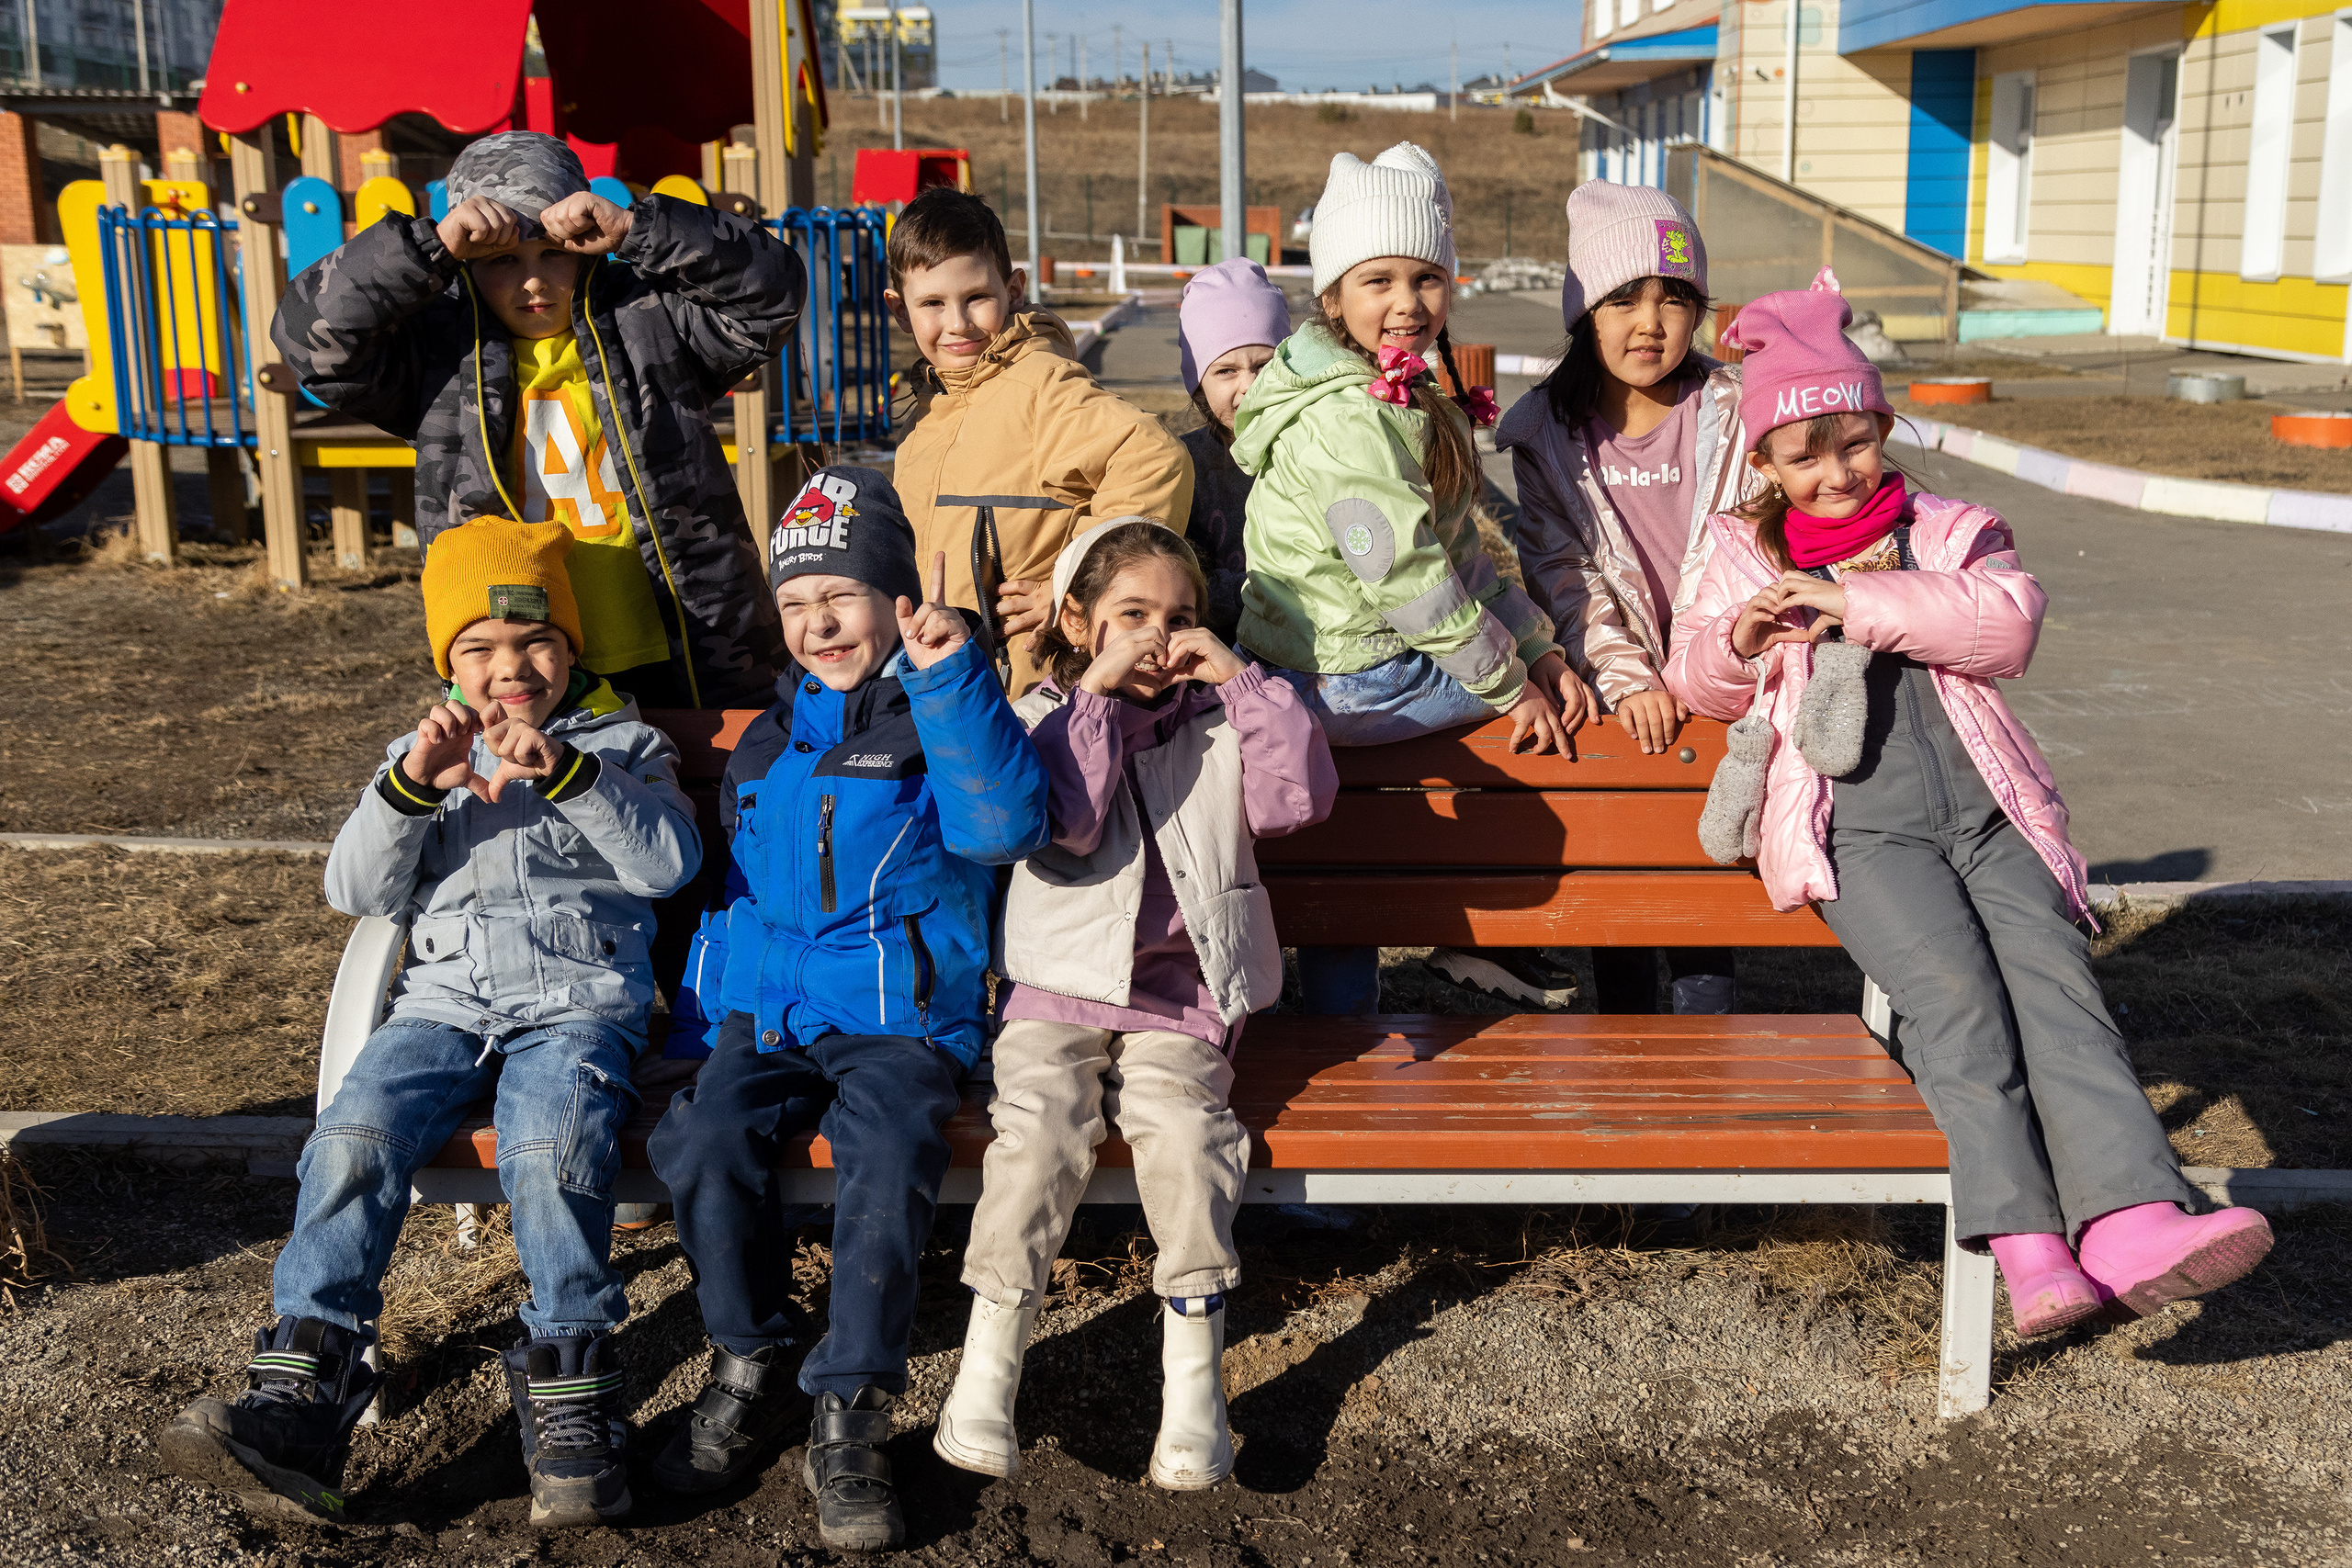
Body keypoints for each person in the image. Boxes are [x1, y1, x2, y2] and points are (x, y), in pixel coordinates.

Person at [1663, 277, 2274, 1337]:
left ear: (1883, 429)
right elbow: (1696, 681)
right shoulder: (1736, 549)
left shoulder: (1949, 528)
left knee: (2056, 991)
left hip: (1991, 815)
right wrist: (1740, 641)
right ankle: (2029, 1243)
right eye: (1802, 455)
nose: (1835, 472)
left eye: (1854, 442)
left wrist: (1851, 600)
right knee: (1955, 1004)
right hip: (1858, 829)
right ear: (1761, 461)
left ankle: (2130, 1219)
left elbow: (2005, 629)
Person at [158, 520, 700, 1528]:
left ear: (573, 649)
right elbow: (353, 888)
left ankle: (572, 1401)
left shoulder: (623, 746)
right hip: (444, 1005)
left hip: (577, 1008)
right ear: (447, 662)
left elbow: (668, 865)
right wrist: (411, 784)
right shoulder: (421, 754)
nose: (511, 670)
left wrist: (573, 777)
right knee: (356, 1134)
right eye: (478, 649)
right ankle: (301, 1401)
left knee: (546, 1148)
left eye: (536, 643)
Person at [643, 468, 1050, 1552]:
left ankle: (853, 1407)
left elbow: (1001, 827)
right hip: (771, 1013)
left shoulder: (942, 711)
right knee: (704, 1138)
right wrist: (707, 1026)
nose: (820, 622)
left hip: (902, 1017)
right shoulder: (769, 739)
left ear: (894, 596)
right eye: (796, 604)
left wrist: (949, 681)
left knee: (886, 1155)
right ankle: (751, 1359)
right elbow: (737, 899)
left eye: (844, 595)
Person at [933, 520, 1335, 1491]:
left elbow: (1298, 801)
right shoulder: (1040, 713)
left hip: (1183, 995)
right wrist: (1096, 697)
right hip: (1056, 987)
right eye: (1131, 617)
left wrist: (1238, 678)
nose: (1158, 640)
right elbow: (1065, 827)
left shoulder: (1223, 720)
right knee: (1037, 1132)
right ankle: (988, 1367)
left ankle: (1193, 1383)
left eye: (1180, 618)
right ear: (1076, 621)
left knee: (1185, 1132)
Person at [275, 130, 803, 708]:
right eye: (501, 261)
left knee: (707, 788)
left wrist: (638, 231)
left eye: (554, 253)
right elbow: (307, 339)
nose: (531, 280)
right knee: (543, 795)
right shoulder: (435, 353)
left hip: (690, 640)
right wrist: (430, 248)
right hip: (521, 662)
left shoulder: (648, 320)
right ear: (466, 264)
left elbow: (772, 294)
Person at [1232, 141, 1580, 1014]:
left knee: (1354, 851)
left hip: (1347, 665)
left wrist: (1535, 640)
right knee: (1573, 707)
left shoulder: (1401, 388)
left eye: (1425, 278)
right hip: (1345, 675)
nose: (1405, 302)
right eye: (1377, 279)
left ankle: (1346, 1015)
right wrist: (1513, 683)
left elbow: (1457, 544)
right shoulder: (1349, 416)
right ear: (1333, 295)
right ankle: (1472, 943)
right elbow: (1412, 579)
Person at [1499, 182, 1755, 1016]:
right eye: (1623, 299)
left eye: (1674, 299)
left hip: (1726, 682)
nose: (1650, 322)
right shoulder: (1547, 434)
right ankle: (1627, 1059)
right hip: (1619, 693)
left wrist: (1713, 662)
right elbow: (1562, 573)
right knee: (1623, 892)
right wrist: (1626, 673)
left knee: (1702, 902)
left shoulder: (1740, 412)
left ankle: (1703, 1075)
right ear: (1586, 312)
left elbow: (1757, 549)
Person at [885, 186, 1194, 694]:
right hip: (947, 689)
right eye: (933, 304)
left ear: (1014, 290)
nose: (957, 323)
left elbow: (1157, 461)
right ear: (900, 311)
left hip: (1031, 692)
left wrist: (1071, 587)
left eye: (977, 298)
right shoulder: (926, 413)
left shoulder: (1040, 386)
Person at [1175, 257, 1292, 640]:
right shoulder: (1182, 467)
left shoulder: (1316, 448)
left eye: (1264, 365)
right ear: (1199, 385)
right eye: (1226, 370)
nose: (1251, 386)